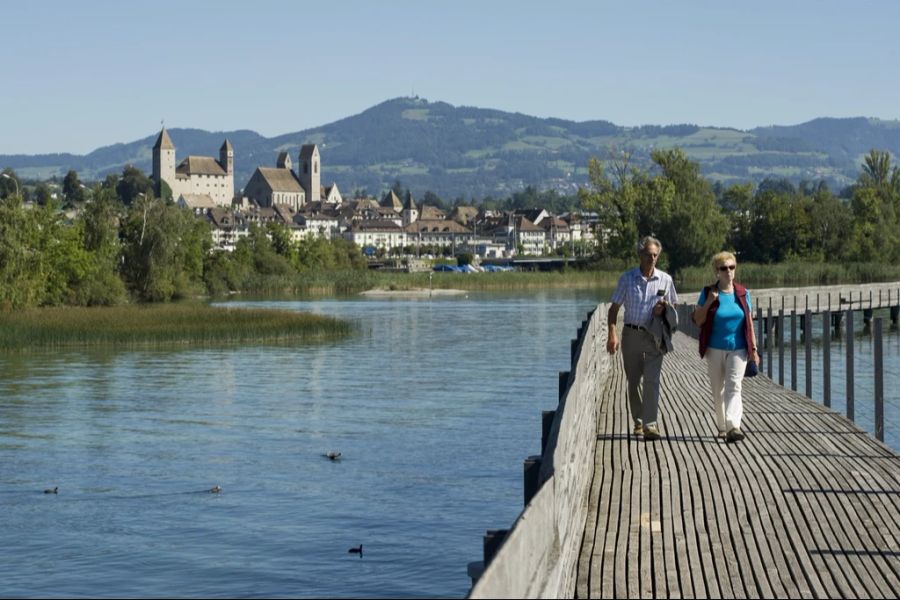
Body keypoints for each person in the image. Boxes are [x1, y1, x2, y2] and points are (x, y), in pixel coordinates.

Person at [607, 236, 678, 440]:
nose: (652, 258)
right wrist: (612, 333)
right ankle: (638, 421)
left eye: (655, 255)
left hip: (655, 335)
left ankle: (650, 425)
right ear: (640, 254)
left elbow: (675, 307)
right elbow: (614, 309)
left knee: (652, 380)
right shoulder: (627, 279)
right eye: (648, 255)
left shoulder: (666, 279)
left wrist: (664, 308)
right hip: (631, 334)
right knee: (633, 380)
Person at [692, 251, 759, 443]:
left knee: (734, 386)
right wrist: (710, 302)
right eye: (724, 268)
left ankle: (733, 426)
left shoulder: (743, 293)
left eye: (731, 267)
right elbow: (698, 320)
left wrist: (753, 349)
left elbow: (749, 323)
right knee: (717, 389)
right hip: (714, 348)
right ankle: (722, 427)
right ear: (717, 271)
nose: (728, 271)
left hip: (739, 348)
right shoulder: (707, 293)